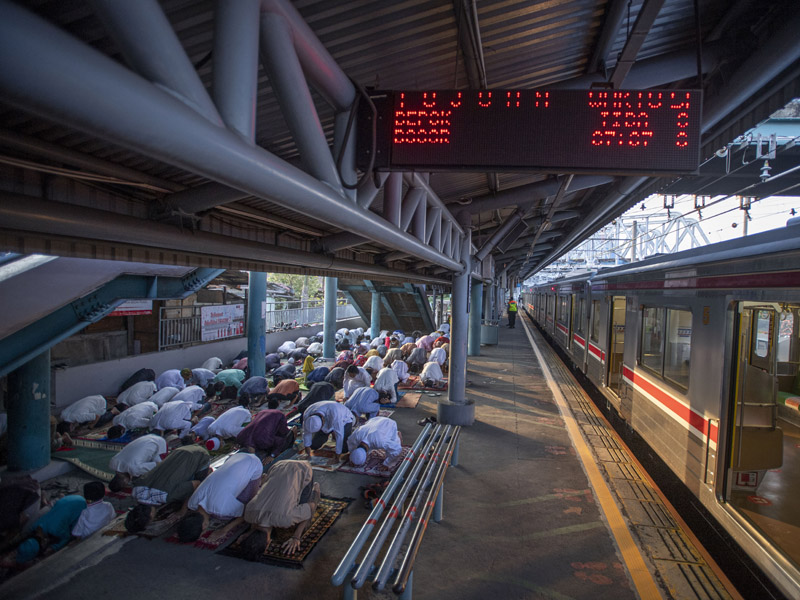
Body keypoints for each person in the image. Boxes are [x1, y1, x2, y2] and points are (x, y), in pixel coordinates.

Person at [227, 461, 320, 559]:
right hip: (278, 465)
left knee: (305, 522)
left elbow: (311, 507)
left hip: (303, 468)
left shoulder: (286, 519)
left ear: (268, 543)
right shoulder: (249, 514)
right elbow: (255, 522)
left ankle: (316, 489)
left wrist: (296, 537)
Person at [125, 443, 211, 533]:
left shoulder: (168, 495)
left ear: (151, 514)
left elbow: (196, 484)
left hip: (199, 454)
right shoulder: (136, 489)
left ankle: (208, 472)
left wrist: (183, 511)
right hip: (179, 451)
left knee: (202, 486)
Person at [177, 453, 263, 542]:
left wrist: (224, 530)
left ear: (204, 526)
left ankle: (263, 481)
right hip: (235, 457)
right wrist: (182, 511)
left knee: (250, 502)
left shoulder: (220, 511)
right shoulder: (192, 502)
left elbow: (247, 512)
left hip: (254, 463)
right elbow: (190, 499)